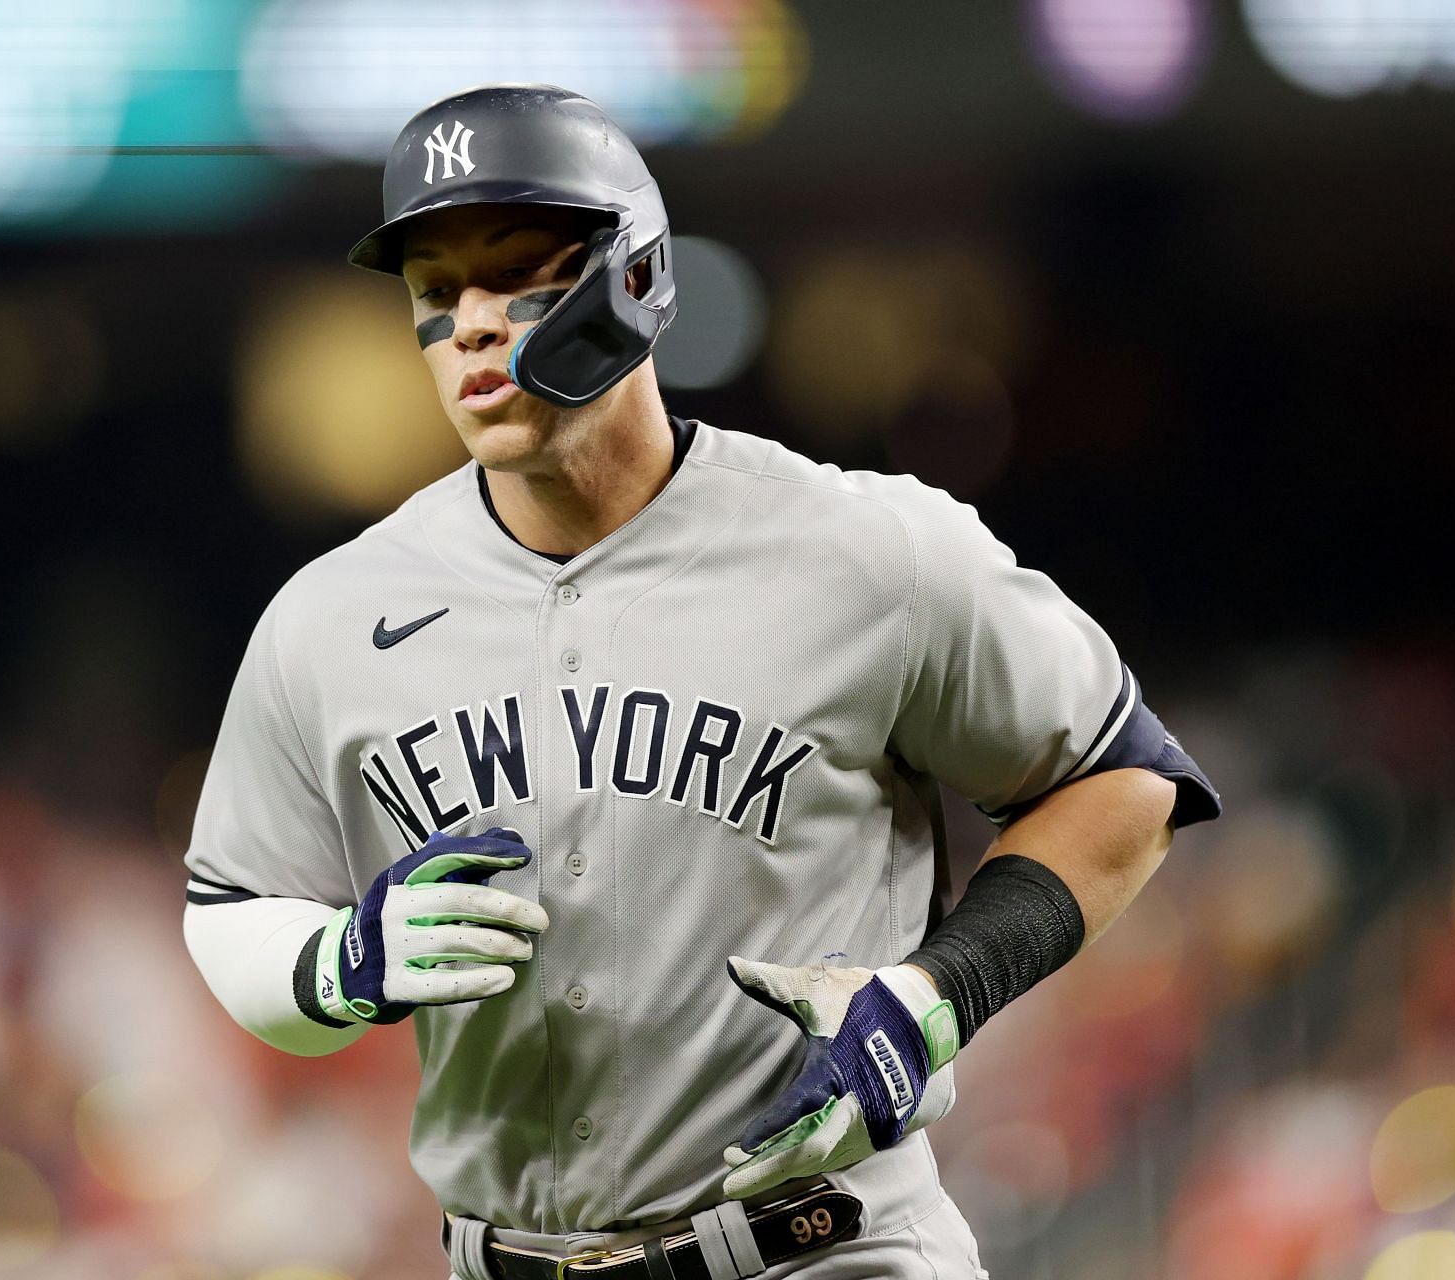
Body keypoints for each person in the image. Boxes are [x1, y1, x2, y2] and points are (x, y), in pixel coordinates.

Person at [182, 83, 1219, 1279]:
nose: (469, 323)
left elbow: (1126, 778)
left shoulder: (863, 550)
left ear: (637, 275)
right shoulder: (331, 614)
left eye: (516, 271)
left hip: (825, 1251)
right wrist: (340, 961)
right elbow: (231, 905)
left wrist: (942, 990)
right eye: (434, 292)